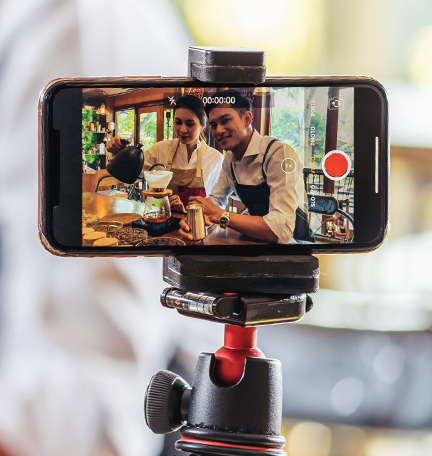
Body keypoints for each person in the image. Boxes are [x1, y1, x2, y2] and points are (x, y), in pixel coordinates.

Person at [179, 90, 312, 244]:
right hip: (258, 243)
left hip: (295, 247)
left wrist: (221, 215)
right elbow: (216, 198)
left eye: (226, 120)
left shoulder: (278, 153)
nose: (219, 131)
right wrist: (195, 217)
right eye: (214, 125)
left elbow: (281, 229)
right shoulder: (229, 160)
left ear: (247, 119)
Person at [107, 95, 223, 212]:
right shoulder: (161, 149)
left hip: (198, 224)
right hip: (162, 220)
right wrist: (118, 155)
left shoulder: (214, 158)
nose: (182, 130)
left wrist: (187, 212)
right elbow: (127, 178)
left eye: (190, 124)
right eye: (178, 122)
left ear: (203, 126)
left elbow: (217, 203)